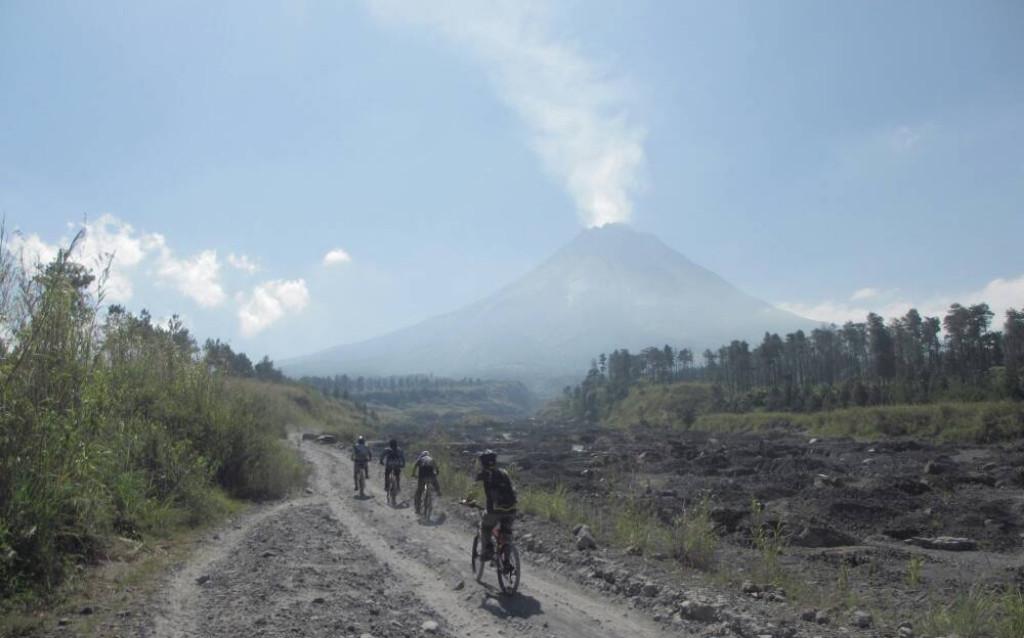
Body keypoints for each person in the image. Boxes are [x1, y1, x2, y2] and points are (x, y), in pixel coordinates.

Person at [475, 449, 517, 561]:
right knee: (506, 533)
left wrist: (468, 500)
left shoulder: (484, 474)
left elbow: (474, 489)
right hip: (511, 509)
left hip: (494, 510)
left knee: (485, 527)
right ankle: (507, 561)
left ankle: (487, 551)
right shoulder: (504, 472)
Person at [413, 450, 441, 515]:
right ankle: (438, 491)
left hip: (422, 477)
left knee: (419, 491)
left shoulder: (420, 459)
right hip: (431, 476)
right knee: (435, 482)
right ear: (428, 455)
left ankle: (417, 508)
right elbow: (436, 468)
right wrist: (437, 473)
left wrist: (413, 474)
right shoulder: (431, 459)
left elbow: (415, 467)